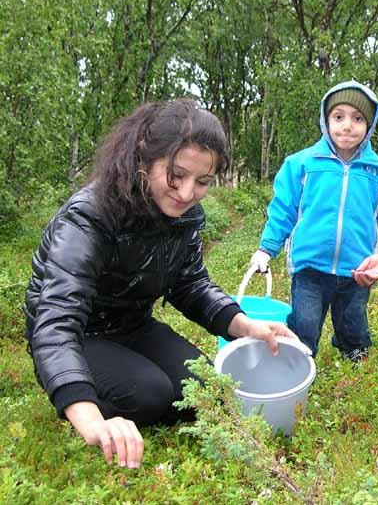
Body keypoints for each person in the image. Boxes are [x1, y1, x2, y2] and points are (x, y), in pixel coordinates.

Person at [24, 99, 296, 470]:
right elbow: (54, 320)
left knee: (204, 389)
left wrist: (244, 324)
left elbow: (191, 284)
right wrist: (91, 420)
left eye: (202, 182)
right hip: (77, 335)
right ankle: (75, 395)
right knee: (152, 395)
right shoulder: (90, 215)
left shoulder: (186, 217)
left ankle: (124, 378)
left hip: (132, 325)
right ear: (144, 156)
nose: (186, 194)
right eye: (176, 175)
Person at [249, 80, 378, 361]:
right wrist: (265, 249)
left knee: (353, 325)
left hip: (357, 270)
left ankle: (355, 361)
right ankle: (297, 363)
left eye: (357, 118)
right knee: (304, 328)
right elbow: (282, 210)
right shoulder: (302, 165)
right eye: (338, 117)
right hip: (309, 267)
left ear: (369, 125)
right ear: (325, 120)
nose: (347, 126)